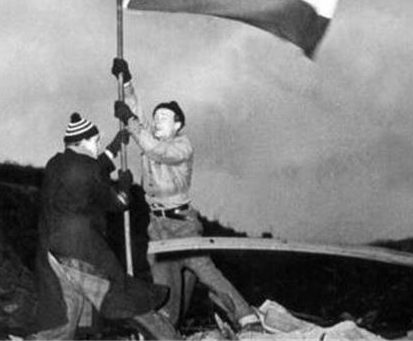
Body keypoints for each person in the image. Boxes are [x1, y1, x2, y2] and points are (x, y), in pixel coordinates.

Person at [111, 58, 263, 332]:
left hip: (182, 224)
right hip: (157, 226)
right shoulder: (150, 139)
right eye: (155, 117)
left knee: (203, 268)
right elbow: (135, 114)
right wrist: (127, 82)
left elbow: (155, 148)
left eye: (164, 118)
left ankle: (246, 316)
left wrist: (132, 122)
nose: (157, 121)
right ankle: (166, 330)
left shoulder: (182, 146)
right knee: (164, 288)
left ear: (177, 125)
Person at [32, 112, 179, 339]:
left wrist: (115, 146)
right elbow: (118, 203)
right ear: (82, 143)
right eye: (95, 141)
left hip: (53, 252)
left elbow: (93, 166)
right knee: (121, 296)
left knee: (67, 312)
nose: (97, 145)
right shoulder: (87, 169)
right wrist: (124, 185)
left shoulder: (56, 164)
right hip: (79, 251)